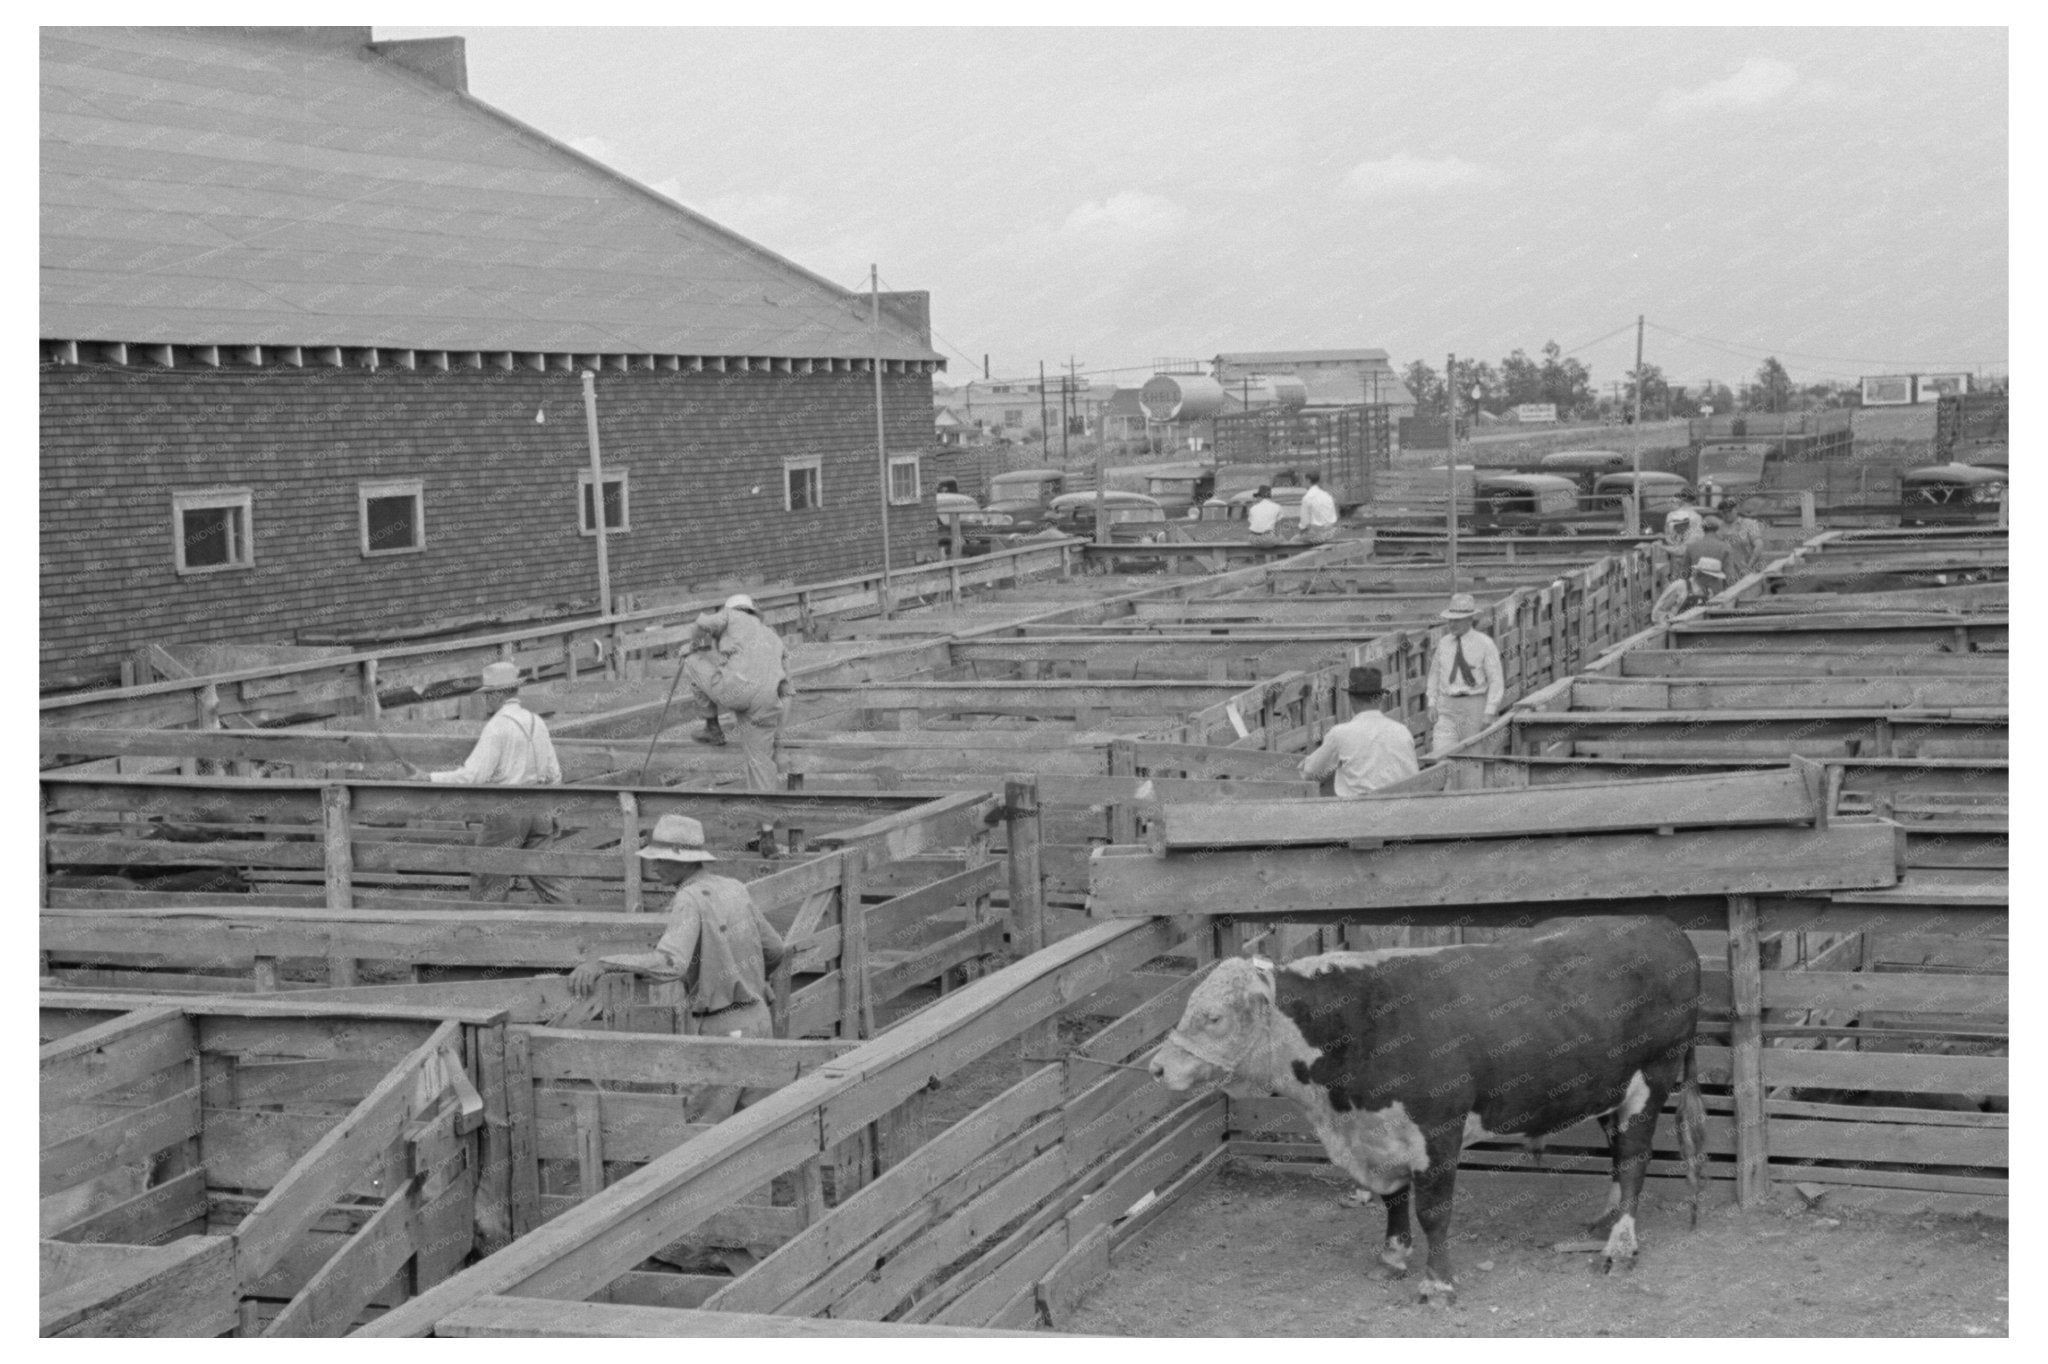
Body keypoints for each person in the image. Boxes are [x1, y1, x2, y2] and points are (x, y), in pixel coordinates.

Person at [568, 814, 787, 1121]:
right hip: (760, 1021)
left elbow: (671, 964)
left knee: (702, 1131)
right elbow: (775, 948)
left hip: (723, 1029)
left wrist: (604, 962)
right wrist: (751, 979)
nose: (654, 867)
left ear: (685, 862)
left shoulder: (689, 898)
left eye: (661, 860)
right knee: (757, 1127)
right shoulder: (734, 887)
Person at [410, 661, 570, 904]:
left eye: (487, 695)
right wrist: (552, 807)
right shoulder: (537, 721)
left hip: (507, 810)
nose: (486, 700)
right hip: (539, 808)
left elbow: (473, 776)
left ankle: (483, 932)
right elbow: (554, 772)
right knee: (548, 879)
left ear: (497, 694)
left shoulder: (497, 727)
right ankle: (573, 923)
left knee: (488, 876)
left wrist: (430, 777)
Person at [683, 593, 791, 791]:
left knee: (691, 660)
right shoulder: (774, 637)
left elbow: (700, 624)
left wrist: (693, 646)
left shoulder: (731, 615)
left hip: (735, 690)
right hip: (766, 702)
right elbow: (787, 692)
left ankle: (712, 728)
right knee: (760, 764)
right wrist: (780, 742)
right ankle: (765, 819)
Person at [1299, 666, 1419, 797]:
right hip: (1398, 805)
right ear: (1379, 698)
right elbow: (1413, 776)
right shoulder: (1402, 731)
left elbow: (1309, 771)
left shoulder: (1340, 733)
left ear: (1351, 699)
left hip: (1357, 809)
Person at [1425, 593, 1504, 758]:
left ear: (1470, 619)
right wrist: (1432, 702)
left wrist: (1490, 710)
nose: (1452, 624)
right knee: (1441, 754)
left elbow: (1496, 679)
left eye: (1457, 620)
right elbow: (1434, 674)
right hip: (1447, 705)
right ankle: (1445, 783)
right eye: (1450, 620)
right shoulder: (1444, 643)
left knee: (1472, 756)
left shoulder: (1484, 643)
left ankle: (1469, 784)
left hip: (1473, 705)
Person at [1653, 557, 1728, 622]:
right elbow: (1658, 613)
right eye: (1713, 578)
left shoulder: (1708, 592)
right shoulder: (1679, 586)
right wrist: (1669, 624)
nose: (1714, 581)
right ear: (1702, 575)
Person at [1722, 498, 1766, 580]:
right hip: (1729, 573)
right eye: (1724, 512)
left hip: (1749, 570)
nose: (1727, 514)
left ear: (1735, 510)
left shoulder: (1748, 524)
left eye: (1729, 511)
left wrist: (1749, 566)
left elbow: (1759, 545)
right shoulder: (1720, 527)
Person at [1687, 510, 1737, 579]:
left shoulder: (1691, 547)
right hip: (1717, 587)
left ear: (1702, 528)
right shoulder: (1726, 548)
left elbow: (1684, 574)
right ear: (1718, 529)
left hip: (1696, 586)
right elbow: (1730, 575)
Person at [1296, 471, 1339, 545]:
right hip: (1330, 533)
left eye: (1303, 480)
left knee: (1292, 541)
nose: (1303, 483)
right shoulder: (1327, 495)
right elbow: (1334, 516)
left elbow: (1304, 523)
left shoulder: (1307, 497)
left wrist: (1300, 534)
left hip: (1316, 534)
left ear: (1308, 480)